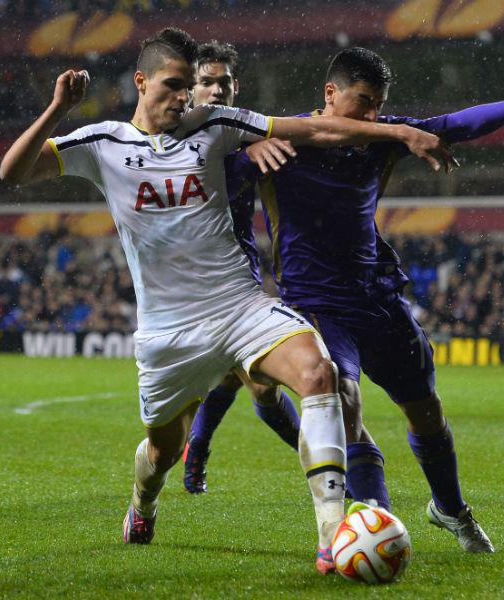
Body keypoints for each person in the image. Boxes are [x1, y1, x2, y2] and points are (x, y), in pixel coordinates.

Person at [0, 28, 455, 573]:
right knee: (162, 453)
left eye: (189, 87)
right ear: (141, 82)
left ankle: (332, 533)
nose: (183, 97)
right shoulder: (103, 143)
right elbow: (13, 172)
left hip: (239, 307)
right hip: (169, 332)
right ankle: (143, 502)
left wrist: (401, 132)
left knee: (318, 372)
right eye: (173, 85)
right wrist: (57, 108)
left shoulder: (213, 125)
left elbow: (315, 129)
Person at [228, 47, 504, 553]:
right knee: (344, 400)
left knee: (425, 410)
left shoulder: (382, 137)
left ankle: (449, 510)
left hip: (376, 295)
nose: (372, 114)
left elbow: (451, 124)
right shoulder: (281, 137)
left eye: (379, 104)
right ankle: (375, 522)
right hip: (315, 302)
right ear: (330, 93)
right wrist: (245, 150)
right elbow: (212, 163)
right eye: (363, 101)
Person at [182, 41, 301, 495]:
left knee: (249, 381)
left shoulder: (251, 130)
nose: (215, 91)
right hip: (189, 282)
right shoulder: (173, 135)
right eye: (206, 82)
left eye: (223, 83)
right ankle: (330, 470)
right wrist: (241, 160)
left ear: (236, 88)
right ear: (190, 90)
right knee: (249, 380)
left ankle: (198, 449)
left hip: (241, 274)